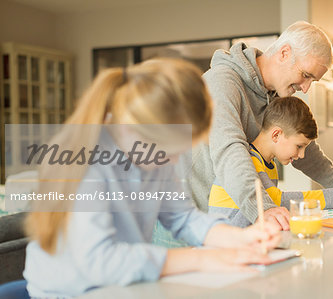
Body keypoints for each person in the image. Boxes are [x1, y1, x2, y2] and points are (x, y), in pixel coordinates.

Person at [23, 58, 280, 298]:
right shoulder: (83, 161)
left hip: (125, 284)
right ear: (131, 129)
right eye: (170, 151)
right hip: (71, 291)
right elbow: (100, 261)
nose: (174, 162)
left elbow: (183, 217)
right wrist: (202, 259)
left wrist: (239, 238)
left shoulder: (152, 151)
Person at [191, 20, 333, 231]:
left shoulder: (274, 95)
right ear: (284, 53)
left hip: (227, 225)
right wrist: (263, 210)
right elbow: (229, 150)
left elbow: (308, 152)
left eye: (312, 81)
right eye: (305, 75)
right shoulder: (222, 83)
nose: (305, 88)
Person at [209, 97, 333, 227]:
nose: (302, 155)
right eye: (299, 146)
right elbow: (277, 202)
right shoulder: (249, 161)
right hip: (227, 243)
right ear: (276, 134)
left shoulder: (269, 164)